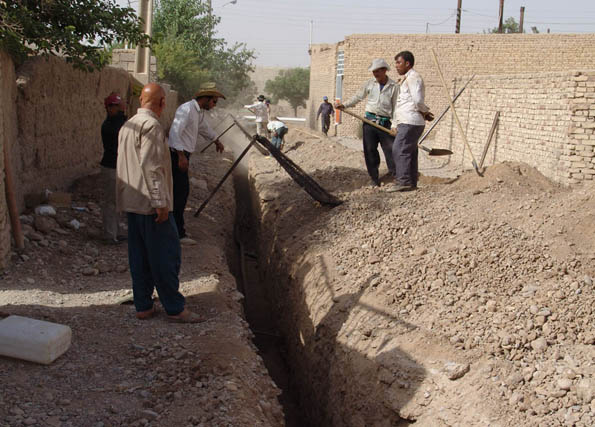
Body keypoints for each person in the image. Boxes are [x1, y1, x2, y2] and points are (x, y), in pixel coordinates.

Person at [116, 83, 202, 323]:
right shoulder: (152, 126)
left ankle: (143, 306)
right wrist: (160, 203)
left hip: (132, 203)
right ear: (163, 102)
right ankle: (175, 308)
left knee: (140, 257)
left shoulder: (128, 125)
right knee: (166, 256)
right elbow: (151, 167)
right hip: (151, 205)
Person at [168, 82, 225, 245]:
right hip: (177, 155)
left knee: (180, 192)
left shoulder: (198, 113)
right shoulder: (186, 109)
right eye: (214, 101)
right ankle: (177, 233)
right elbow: (174, 133)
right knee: (180, 193)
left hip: (183, 154)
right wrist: (180, 156)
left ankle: (174, 229)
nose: (214, 105)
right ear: (205, 98)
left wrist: (216, 140)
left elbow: (203, 128)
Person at [335, 58, 398, 187]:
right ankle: (374, 178)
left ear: (384, 70)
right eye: (374, 72)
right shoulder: (369, 84)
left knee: (390, 149)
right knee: (370, 150)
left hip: (385, 123)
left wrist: (395, 125)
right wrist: (344, 105)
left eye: (378, 71)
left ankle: (395, 175)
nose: (375, 74)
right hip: (369, 122)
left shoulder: (394, 87)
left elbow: (396, 107)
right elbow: (358, 97)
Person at [386, 51, 431, 193]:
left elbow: (417, 100)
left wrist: (425, 111)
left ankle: (403, 181)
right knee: (410, 151)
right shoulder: (406, 79)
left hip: (411, 121)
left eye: (399, 63)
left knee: (399, 149)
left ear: (408, 63)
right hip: (406, 120)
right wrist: (395, 124)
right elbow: (401, 105)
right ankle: (411, 182)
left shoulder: (414, 78)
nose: (396, 66)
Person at [100, 93, 127, 243]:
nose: (119, 109)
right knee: (110, 202)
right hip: (110, 167)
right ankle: (109, 234)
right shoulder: (110, 126)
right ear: (109, 108)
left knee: (119, 201)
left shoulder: (118, 122)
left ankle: (117, 231)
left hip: (119, 166)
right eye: (116, 106)